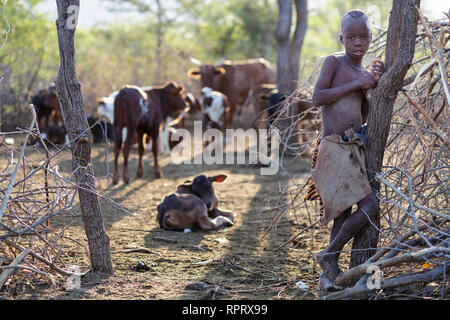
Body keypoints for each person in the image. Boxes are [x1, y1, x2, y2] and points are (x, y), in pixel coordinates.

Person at [306, 9, 385, 290]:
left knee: (342, 215)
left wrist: (372, 88)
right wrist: (358, 83)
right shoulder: (334, 63)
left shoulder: (363, 73)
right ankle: (329, 254)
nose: (358, 42)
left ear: (370, 38)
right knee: (369, 205)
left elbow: (362, 117)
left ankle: (327, 279)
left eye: (363, 36)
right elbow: (318, 97)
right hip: (333, 147)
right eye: (351, 37)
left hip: (353, 149)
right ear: (342, 39)